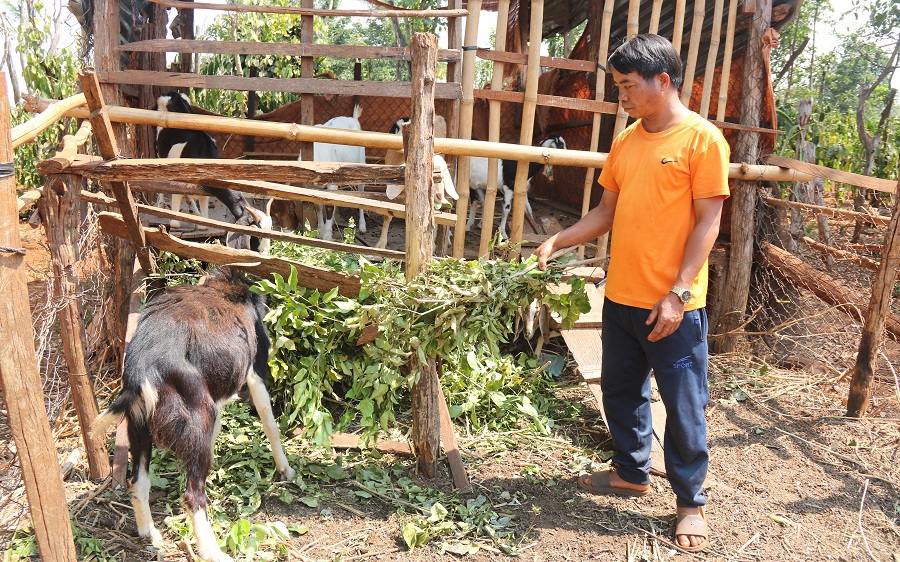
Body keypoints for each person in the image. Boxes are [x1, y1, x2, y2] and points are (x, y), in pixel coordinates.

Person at [535, 34, 730, 553]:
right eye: (618, 85)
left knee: (685, 406)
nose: (620, 94)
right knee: (620, 391)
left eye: (627, 85)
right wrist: (560, 238)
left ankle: (690, 503)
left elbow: (708, 222)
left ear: (662, 81)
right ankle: (631, 472)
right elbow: (607, 211)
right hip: (620, 296)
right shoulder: (626, 140)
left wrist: (679, 293)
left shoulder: (701, 140)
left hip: (673, 307)